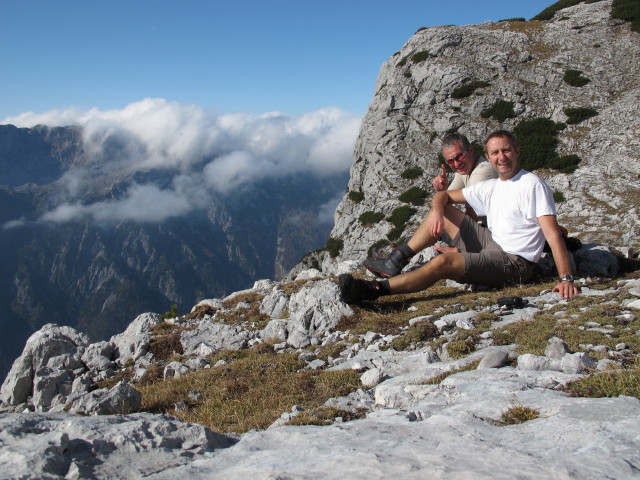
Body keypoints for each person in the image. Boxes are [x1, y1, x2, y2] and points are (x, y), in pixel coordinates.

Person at [341, 129, 579, 303]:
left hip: (515, 263)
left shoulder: (532, 185)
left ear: (517, 151)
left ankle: (372, 290)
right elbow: (443, 198)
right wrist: (437, 211)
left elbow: (552, 233)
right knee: (443, 211)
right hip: (493, 244)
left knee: (444, 263)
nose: (501, 157)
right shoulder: (493, 186)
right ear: (488, 155)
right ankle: (395, 261)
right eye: (495, 152)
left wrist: (566, 277)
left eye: (506, 150)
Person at [364, 132, 497, 277]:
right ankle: (393, 259)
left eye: (459, 157)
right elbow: (445, 198)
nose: (456, 164)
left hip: (488, 239)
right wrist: (441, 191)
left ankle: (394, 261)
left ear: (470, 150)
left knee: (441, 214)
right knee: (437, 216)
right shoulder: (465, 170)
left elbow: (471, 214)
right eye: (450, 161)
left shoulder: (482, 172)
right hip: (480, 232)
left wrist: (458, 251)